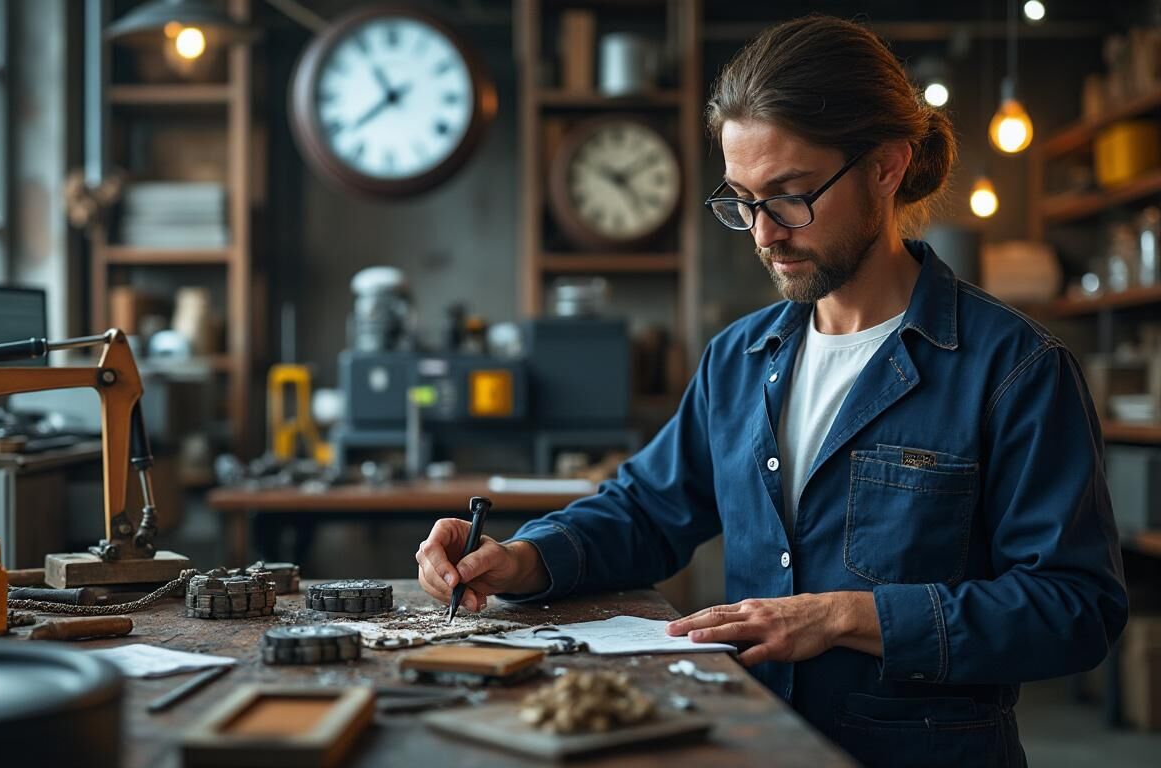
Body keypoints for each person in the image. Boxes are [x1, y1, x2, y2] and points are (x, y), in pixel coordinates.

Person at [414, 14, 1128, 767]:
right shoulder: (740, 358)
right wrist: (522, 559)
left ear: (887, 166)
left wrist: (846, 617)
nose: (762, 234)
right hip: (754, 745)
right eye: (742, 201)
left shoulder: (1014, 369)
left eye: (790, 196)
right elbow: (647, 508)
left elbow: (1075, 608)